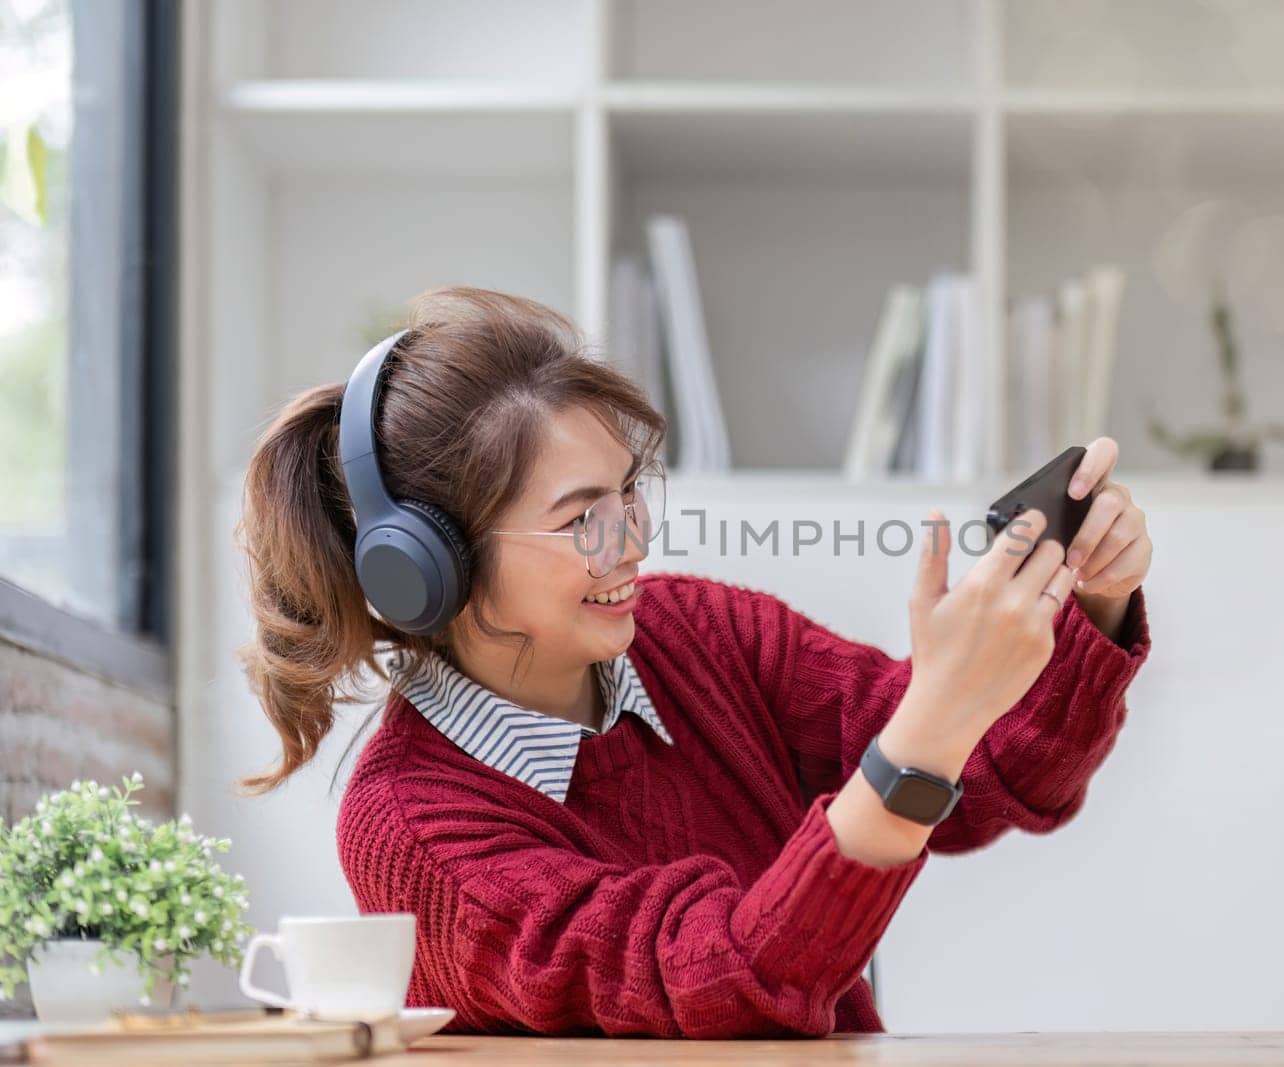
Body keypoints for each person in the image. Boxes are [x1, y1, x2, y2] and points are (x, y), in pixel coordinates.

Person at [233, 285, 1154, 1038]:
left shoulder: (700, 633)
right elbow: (729, 984)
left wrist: (1090, 597)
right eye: (582, 516)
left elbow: (997, 776)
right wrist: (937, 716)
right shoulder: (415, 826)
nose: (630, 541)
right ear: (431, 569)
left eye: (631, 495)